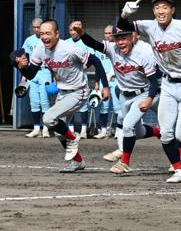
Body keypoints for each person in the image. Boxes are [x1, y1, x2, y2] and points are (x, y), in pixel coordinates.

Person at [117, 0, 181, 183]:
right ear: (153, 11)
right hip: (167, 85)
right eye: (157, 7)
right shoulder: (150, 27)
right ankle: (179, 171)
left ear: (172, 10)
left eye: (165, 7)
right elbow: (123, 27)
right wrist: (125, 15)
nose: (161, 10)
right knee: (167, 134)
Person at [14, 19, 109, 173]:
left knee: (48, 118)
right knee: (59, 131)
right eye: (42, 33)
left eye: (48, 33)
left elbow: (96, 61)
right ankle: (78, 161)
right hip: (63, 92)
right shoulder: (40, 49)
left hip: (79, 91)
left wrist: (105, 86)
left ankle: (73, 138)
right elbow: (31, 74)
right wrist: (22, 67)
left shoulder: (70, 49)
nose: (44, 36)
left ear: (57, 34)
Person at [72, 22, 162, 174]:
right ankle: (158, 132)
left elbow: (154, 80)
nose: (120, 42)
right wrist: (81, 33)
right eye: (117, 38)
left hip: (143, 93)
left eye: (124, 37)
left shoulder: (144, 52)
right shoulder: (113, 49)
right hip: (124, 95)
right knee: (137, 132)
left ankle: (124, 162)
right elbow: (93, 43)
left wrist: (149, 98)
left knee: (127, 126)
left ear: (132, 37)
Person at [22, 18, 52, 139]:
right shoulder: (29, 40)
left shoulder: (47, 40)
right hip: (32, 72)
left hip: (45, 71)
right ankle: (36, 128)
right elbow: (25, 57)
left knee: (45, 102)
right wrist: (24, 74)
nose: (36, 29)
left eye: (38, 27)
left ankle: (45, 128)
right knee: (34, 101)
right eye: (34, 27)